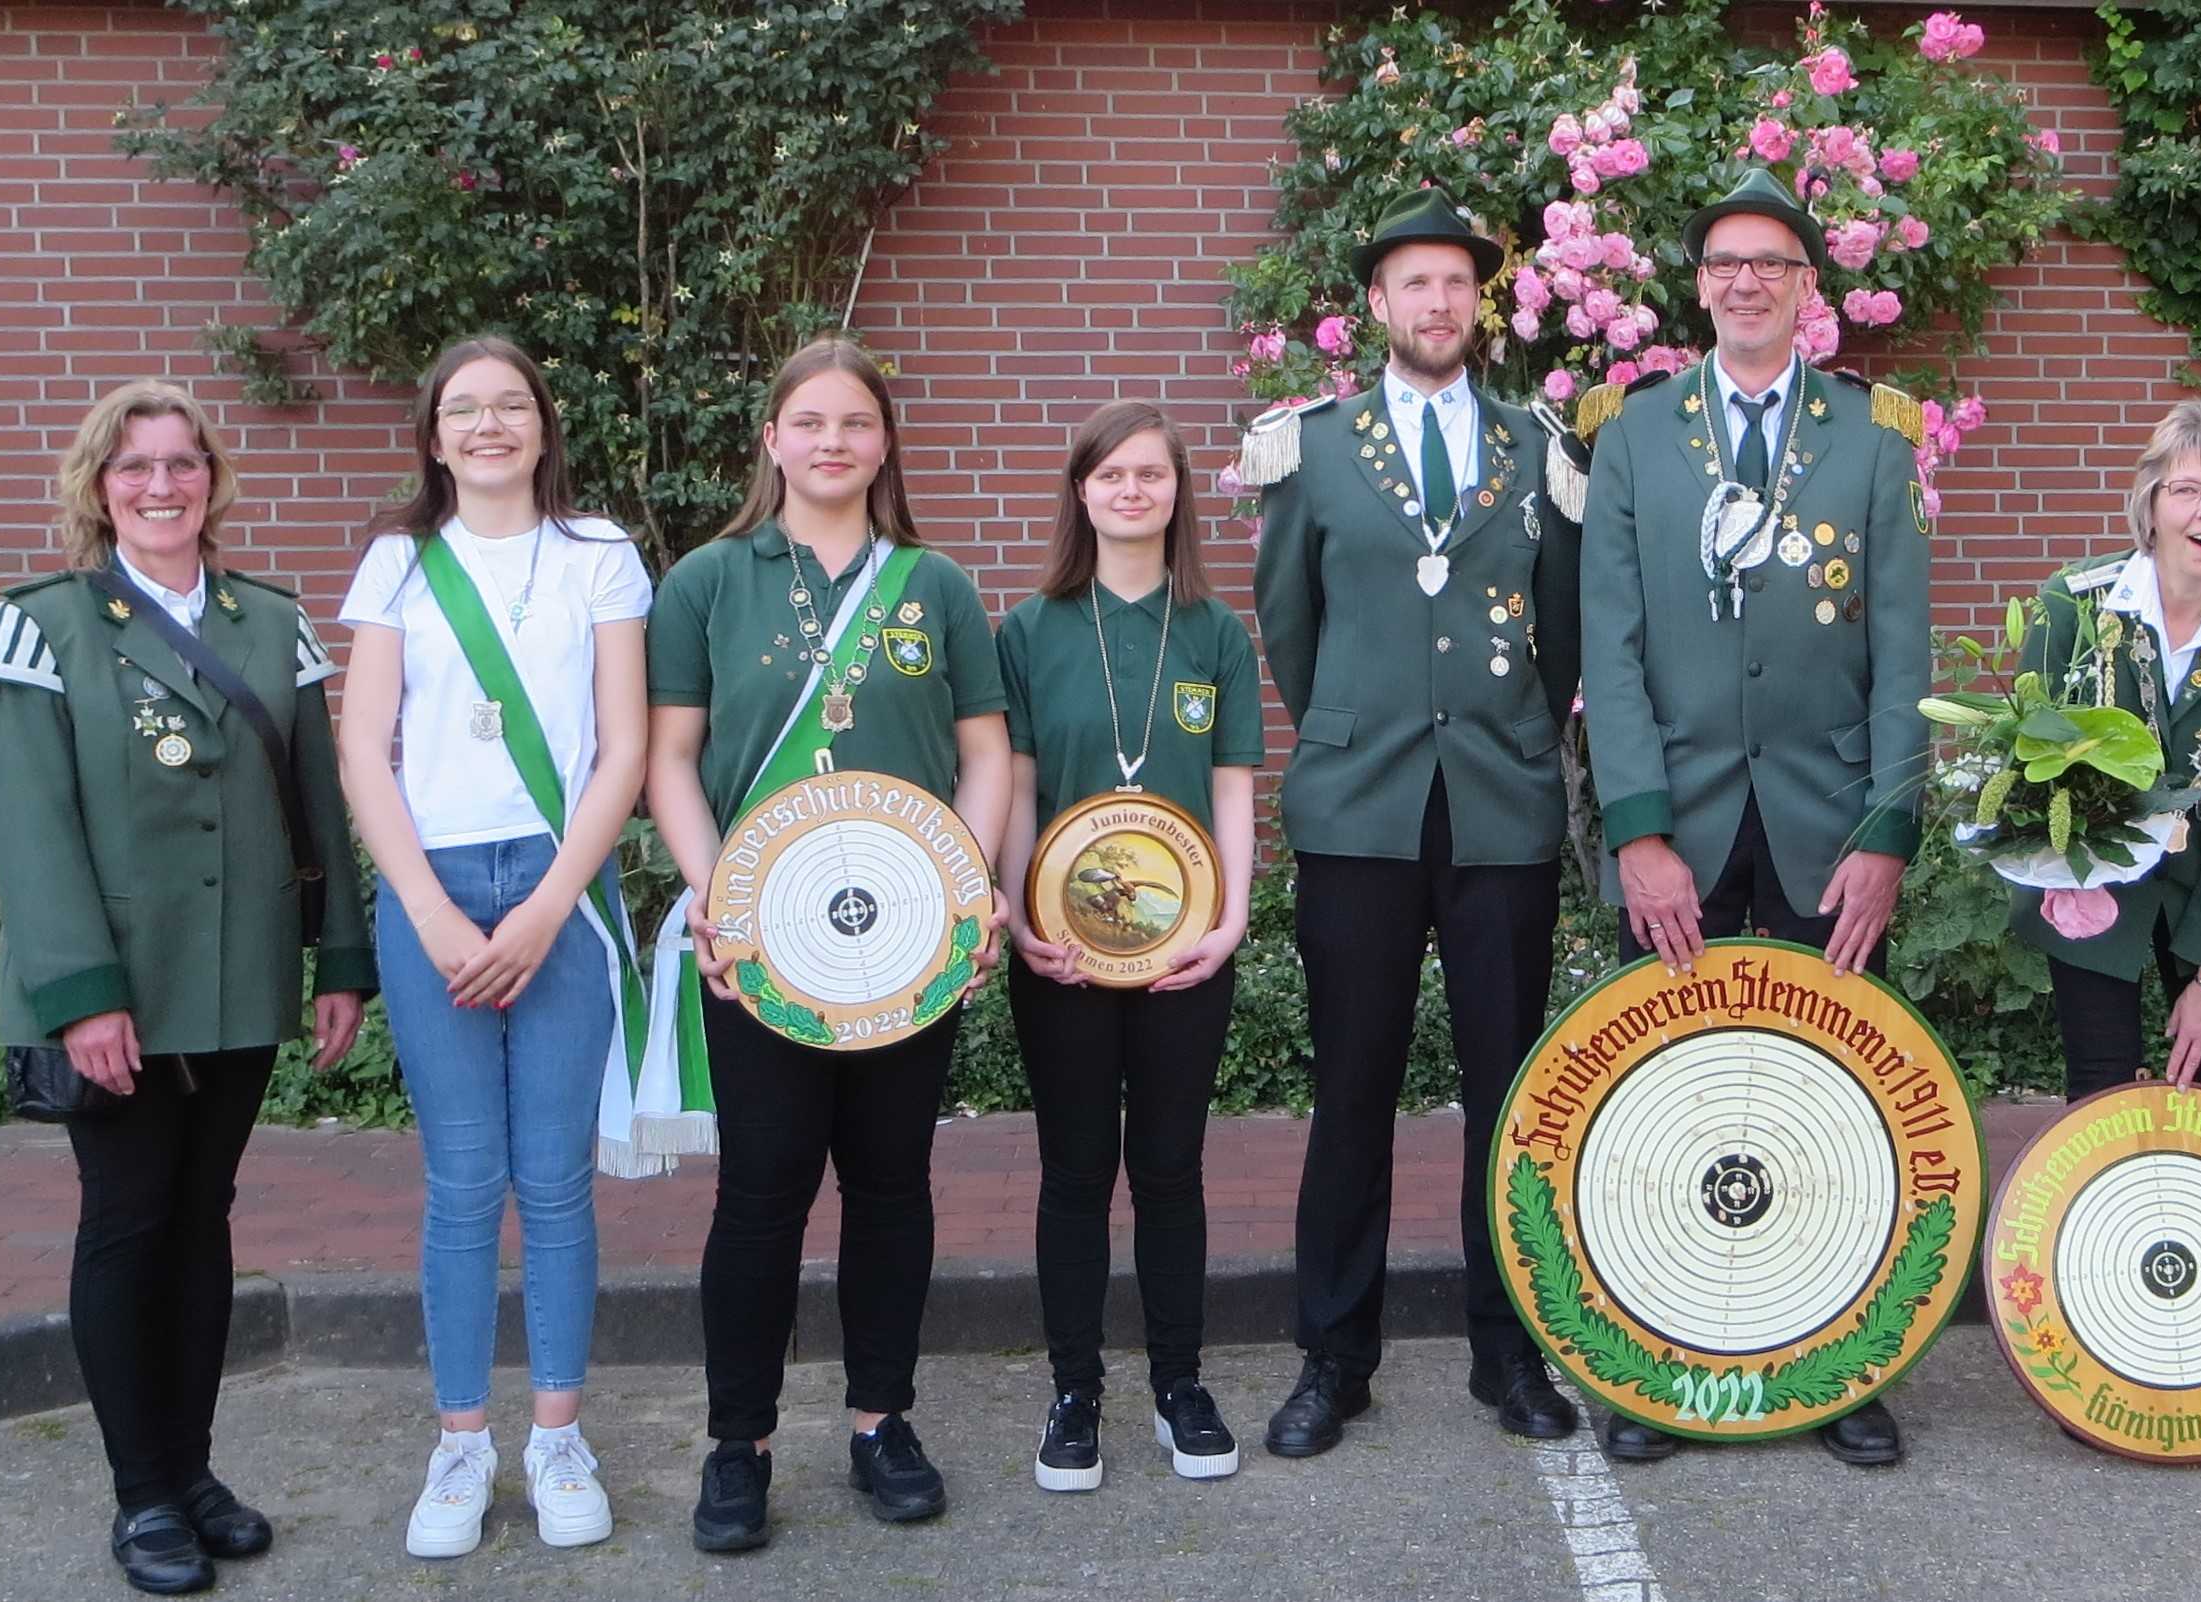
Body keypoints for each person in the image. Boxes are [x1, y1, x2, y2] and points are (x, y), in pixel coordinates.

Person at [0, 380, 370, 1595]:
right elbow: (31, 830)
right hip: (118, 994)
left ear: (212, 479)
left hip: (239, 978)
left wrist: (339, 960)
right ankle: (141, 1494)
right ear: (101, 487)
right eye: (134, 465)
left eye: (182, 462)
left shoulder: (271, 623)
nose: (161, 484)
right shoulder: (42, 625)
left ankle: (192, 1474)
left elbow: (318, 805)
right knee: (129, 1222)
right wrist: (82, 994)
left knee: (205, 1223)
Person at [1575, 168, 1931, 1467]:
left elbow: (1903, 656)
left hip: (1825, 831)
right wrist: (1638, 831)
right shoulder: (1634, 434)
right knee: (1664, 1103)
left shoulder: (1873, 438)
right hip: (1680, 828)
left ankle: (1836, 1368)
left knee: (1829, 1104)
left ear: (1805, 287)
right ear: (1699, 285)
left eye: (1769, 263)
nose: (1744, 282)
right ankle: (1660, 1362)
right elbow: (1610, 648)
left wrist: (1888, 834)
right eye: (1724, 262)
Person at [644, 338, 1010, 1550]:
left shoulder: (936, 585)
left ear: (884, 441)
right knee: (760, 1193)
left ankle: (880, 1423)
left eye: (855, 422)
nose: (832, 442)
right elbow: (672, 758)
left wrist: (966, 892)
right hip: (761, 944)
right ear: (772, 438)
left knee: (891, 1186)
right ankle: (737, 1446)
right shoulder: (708, 581)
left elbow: (985, 755)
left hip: (907, 943)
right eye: (809, 422)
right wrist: (716, 897)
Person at [1245, 187, 1585, 1457]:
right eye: (1414, 283)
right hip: (1360, 809)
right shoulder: (1312, 447)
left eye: (1456, 282)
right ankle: (1334, 1360)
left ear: (1478, 302)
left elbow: (1560, 632)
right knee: (1352, 1092)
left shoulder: (1535, 444)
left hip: (1499, 805)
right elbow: (1290, 626)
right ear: (1376, 304)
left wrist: (1497, 731)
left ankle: (1511, 1356)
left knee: (1511, 1095)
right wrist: (1360, 725)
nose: (1437, 303)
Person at [335, 337, 652, 1558]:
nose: (488, 425)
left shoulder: (599, 553)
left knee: (556, 1180)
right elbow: (366, 748)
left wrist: (546, 907)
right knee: (464, 1182)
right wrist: (426, 910)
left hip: (561, 888)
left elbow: (623, 747)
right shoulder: (397, 562)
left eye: (511, 404)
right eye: (463, 409)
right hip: (437, 886)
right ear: (433, 436)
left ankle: (558, 1439)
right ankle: (461, 1444)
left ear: (543, 425)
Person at [1000, 400, 1260, 1489]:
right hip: (1060, 957)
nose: (1131, 491)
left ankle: (1178, 1387)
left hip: (1183, 952)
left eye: (1151, 474)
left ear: (1176, 493)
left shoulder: (1215, 634)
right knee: (1073, 1173)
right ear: (1081, 492)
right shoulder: (1028, 630)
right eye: (1111, 475)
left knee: (1168, 1169)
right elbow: (1016, 789)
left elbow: (1234, 791)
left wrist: (1231, 921)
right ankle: (1074, 1395)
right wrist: (1016, 915)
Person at [2012, 398, 2201, 1102]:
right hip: (2088, 881)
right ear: (2150, 503)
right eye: (2187, 489)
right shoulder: (2073, 604)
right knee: (2099, 1096)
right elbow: (2030, 762)